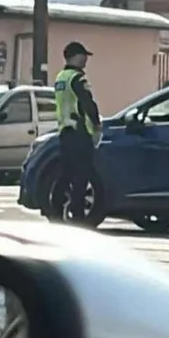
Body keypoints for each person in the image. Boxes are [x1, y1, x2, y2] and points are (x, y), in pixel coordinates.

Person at [52, 41, 101, 224]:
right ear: (75, 56)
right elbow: (88, 103)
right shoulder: (77, 78)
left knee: (66, 173)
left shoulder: (60, 78)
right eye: (83, 56)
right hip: (80, 133)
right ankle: (78, 215)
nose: (86, 60)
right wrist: (96, 124)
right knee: (81, 175)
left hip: (65, 132)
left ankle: (56, 207)